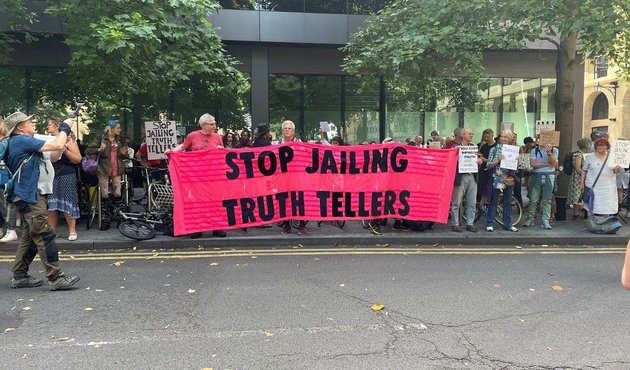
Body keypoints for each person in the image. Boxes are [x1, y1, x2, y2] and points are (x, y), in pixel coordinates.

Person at [4, 111, 79, 290]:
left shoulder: (25, 142)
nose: (33, 123)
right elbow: (58, 144)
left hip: (30, 195)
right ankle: (56, 278)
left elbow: (55, 153)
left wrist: (63, 138)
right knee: (45, 236)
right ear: (20, 127)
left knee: (30, 237)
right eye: (29, 121)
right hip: (31, 196)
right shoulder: (22, 141)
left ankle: (19, 276)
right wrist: (65, 127)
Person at [169, 113, 226, 238]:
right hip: (197, 176)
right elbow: (183, 146)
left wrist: (221, 150)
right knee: (197, 202)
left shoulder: (217, 137)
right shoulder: (193, 136)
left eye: (214, 123)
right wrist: (172, 152)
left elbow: (223, 152)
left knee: (215, 202)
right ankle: (197, 228)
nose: (214, 126)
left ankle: (217, 228)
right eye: (212, 124)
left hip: (214, 175)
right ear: (203, 125)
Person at [47, 118, 82, 241]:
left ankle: (72, 231)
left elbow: (78, 159)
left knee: (68, 201)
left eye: (50, 124)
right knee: (52, 204)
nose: (48, 126)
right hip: (51, 174)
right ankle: (52, 231)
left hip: (66, 173)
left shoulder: (68, 139)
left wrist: (65, 150)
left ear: (57, 126)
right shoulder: (48, 140)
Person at [85, 120, 129, 214]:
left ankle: (115, 208)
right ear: (111, 129)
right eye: (118, 128)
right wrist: (99, 149)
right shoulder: (101, 138)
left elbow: (126, 155)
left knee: (117, 191)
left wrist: (124, 154)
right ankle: (105, 211)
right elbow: (88, 150)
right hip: (103, 167)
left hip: (117, 167)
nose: (120, 130)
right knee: (104, 191)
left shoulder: (121, 140)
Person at [485, 130, 519, 232]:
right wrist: (498, 160)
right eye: (502, 136)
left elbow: (517, 168)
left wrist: (517, 161)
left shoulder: (513, 150)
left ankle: (507, 224)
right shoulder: (494, 149)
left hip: (509, 176)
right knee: (494, 200)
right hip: (498, 176)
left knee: (507, 201)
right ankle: (490, 223)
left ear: (510, 139)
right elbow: (488, 165)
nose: (503, 139)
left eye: (506, 137)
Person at [581, 137, 623, 217]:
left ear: (607, 146)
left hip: (608, 186)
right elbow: (584, 170)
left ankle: (605, 222)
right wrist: (582, 182)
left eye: (602, 145)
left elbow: (614, 171)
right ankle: (594, 223)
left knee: (607, 205)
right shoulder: (590, 157)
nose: (600, 147)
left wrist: (617, 170)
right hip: (593, 186)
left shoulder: (612, 157)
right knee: (593, 205)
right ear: (595, 146)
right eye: (598, 145)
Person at [449, 128, 481, 233]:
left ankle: (470, 224)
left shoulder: (473, 147)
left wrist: (479, 161)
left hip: (472, 176)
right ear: (463, 135)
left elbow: (477, 160)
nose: (471, 135)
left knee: (472, 202)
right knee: (456, 202)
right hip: (461, 177)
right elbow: (450, 160)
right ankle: (455, 224)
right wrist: (455, 157)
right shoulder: (456, 147)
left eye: (472, 133)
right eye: (469, 134)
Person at [277, 120, 306, 234]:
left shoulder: (299, 142)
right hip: (282, 177)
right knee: (284, 201)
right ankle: (286, 225)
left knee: (298, 200)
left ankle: (302, 224)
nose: (287, 130)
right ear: (282, 130)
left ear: (293, 131)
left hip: (297, 177)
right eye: (285, 128)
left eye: (289, 128)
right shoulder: (277, 143)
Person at [523, 141, 558, 229]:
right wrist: (548, 164)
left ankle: (545, 220)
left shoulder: (554, 150)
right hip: (536, 176)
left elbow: (554, 164)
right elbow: (533, 164)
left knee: (547, 199)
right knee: (533, 199)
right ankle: (530, 218)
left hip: (549, 177)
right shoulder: (534, 150)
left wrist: (549, 153)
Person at [0, 118, 19, 243]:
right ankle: (2, 229)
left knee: (5, 203)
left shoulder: (4, 142)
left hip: (4, 176)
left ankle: (11, 230)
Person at [567, 138, 591, 220]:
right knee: (577, 196)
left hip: (582, 176)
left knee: (582, 195)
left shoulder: (584, 154)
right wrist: (585, 175)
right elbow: (577, 168)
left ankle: (583, 213)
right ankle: (576, 214)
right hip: (578, 177)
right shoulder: (578, 154)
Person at [477, 128, 497, 202]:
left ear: (492, 135)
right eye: (485, 137)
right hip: (482, 171)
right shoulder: (482, 145)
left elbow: (494, 160)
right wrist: (481, 146)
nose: (486, 139)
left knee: (488, 191)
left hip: (491, 171)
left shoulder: (496, 147)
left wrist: (483, 159)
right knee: (480, 189)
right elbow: (478, 155)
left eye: (488, 137)